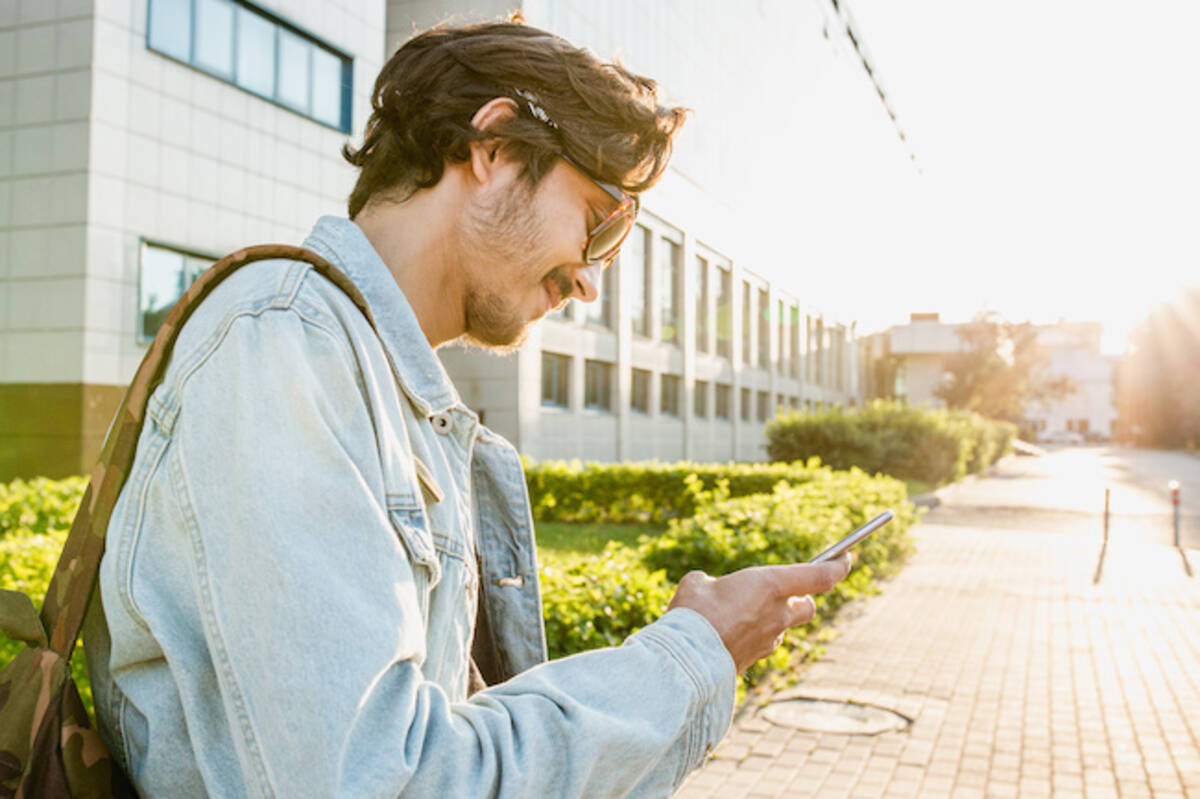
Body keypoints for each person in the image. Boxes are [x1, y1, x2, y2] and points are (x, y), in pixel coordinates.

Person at [82, 18, 853, 798]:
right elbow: (383, 781)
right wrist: (688, 658)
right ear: (494, 143)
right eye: (601, 222)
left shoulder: (391, 392)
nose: (590, 281)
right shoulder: (284, 345)